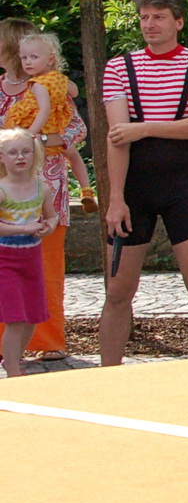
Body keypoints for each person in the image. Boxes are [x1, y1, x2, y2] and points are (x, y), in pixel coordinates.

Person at [101, 0, 188, 365]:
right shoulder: (119, 67)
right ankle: (105, 376)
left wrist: (145, 129)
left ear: (178, 22)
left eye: (158, 17)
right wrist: (115, 199)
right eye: (143, 18)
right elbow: (118, 137)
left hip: (183, 187)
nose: (149, 25)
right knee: (118, 290)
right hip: (134, 190)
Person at [0, 21, 89, 361]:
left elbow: (76, 127)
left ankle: (48, 340)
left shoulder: (54, 86)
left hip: (47, 189)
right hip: (4, 195)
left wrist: (46, 140)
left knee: (46, 268)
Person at [7, 32, 97, 207]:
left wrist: (31, 134)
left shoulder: (38, 85)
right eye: (24, 57)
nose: (27, 62)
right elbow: (75, 92)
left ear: (49, 60)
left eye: (33, 57)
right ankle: (86, 189)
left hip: (39, 126)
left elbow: (44, 109)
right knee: (73, 155)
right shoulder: (61, 80)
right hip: (57, 127)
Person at [0, 128, 54, 377]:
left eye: (25, 152)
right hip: (5, 260)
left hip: (31, 259)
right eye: (12, 153)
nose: (20, 157)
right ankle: (12, 369)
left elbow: (52, 217)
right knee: (16, 317)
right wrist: (23, 228)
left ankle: (14, 359)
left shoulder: (41, 189)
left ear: (34, 155)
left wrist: (46, 227)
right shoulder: (2, 190)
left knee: (32, 316)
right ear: (2, 157)